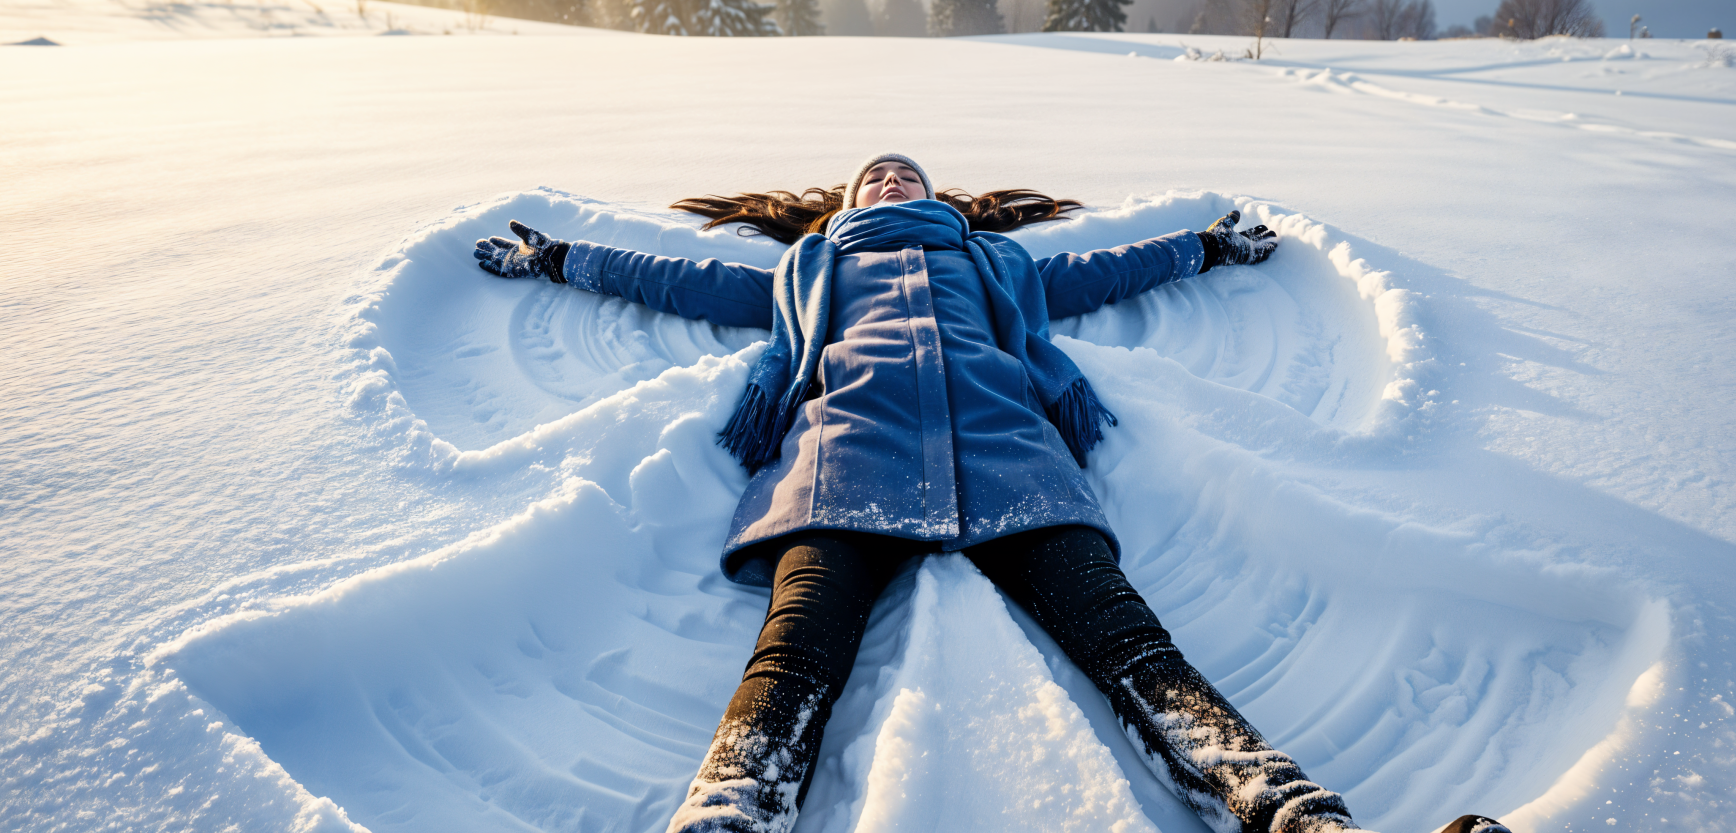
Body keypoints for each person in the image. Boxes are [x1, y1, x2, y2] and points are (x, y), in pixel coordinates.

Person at [473, 154, 1509, 833]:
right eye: (871, 174)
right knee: (792, 655)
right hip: (844, 458)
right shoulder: (808, 268)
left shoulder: (993, 262)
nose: (887, 179)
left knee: (1135, 648)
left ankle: (1296, 814)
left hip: (1012, 455)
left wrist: (1202, 245)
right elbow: (678, 278)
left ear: (936, 196)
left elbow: (1104, 269)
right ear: (845, 200)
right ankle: (725, 812)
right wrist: (559, 258)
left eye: (905, 171)